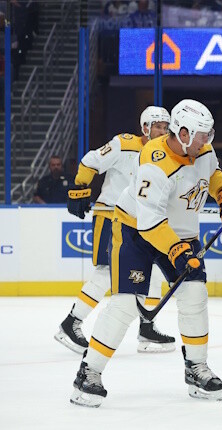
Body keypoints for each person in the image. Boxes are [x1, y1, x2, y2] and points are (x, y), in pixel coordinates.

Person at [69, 99, 222, 407]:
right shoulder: (153, 163)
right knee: (126, 303)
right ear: (182, 133)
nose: (207, 141)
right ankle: (89, 372)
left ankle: (196, 368)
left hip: (181, 232)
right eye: (201, 134)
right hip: (136, 230)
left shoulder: (203, 150)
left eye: (208, 134)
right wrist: (178, 251)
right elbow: (150, 220)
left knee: (194, 294)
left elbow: (213, 173)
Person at [56, 106, 175, 355]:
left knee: (149, 272)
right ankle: (71, 323)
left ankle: (147, 328)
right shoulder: (125, 144)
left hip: (142, 221)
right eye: (158, 126)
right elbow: (91, 161)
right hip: (111, 217)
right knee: (105, 273)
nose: (163, 131)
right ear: (145, 128)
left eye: (166, 127)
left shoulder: (167, 154)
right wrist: (80, 186)